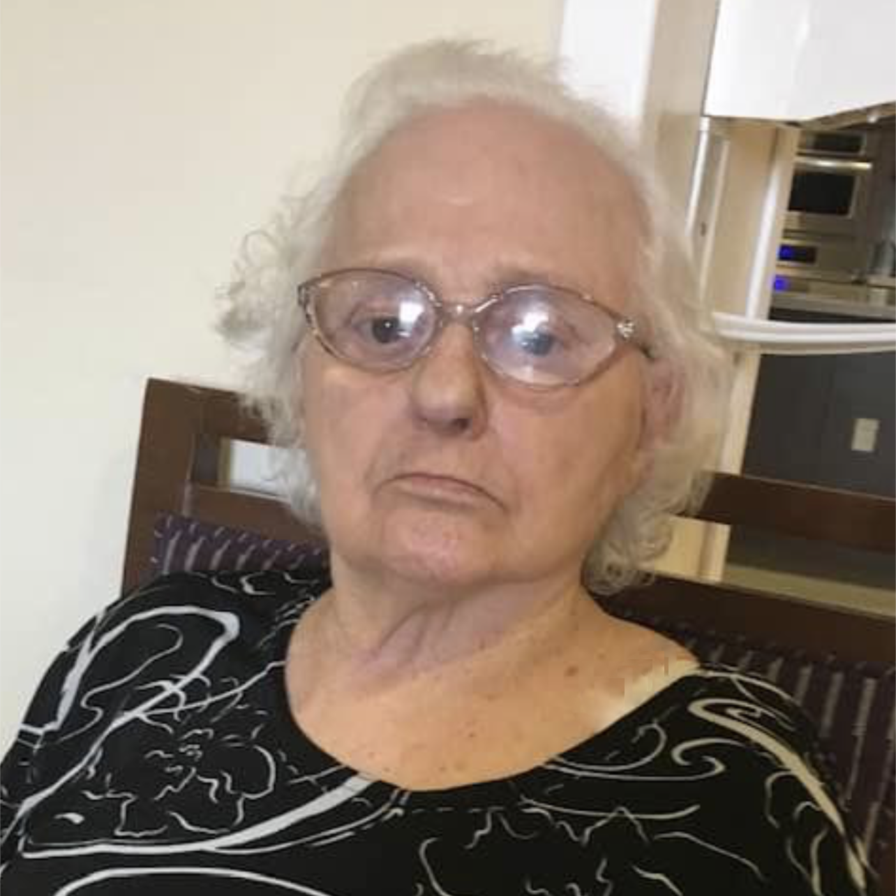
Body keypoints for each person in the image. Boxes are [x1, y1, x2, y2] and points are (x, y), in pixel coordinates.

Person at [0, 40, 874, 895]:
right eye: (383, 323)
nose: (445, 392)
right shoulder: (152, 640)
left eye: (539, 336)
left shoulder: (737, 808)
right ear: (301, 375)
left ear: (654, 415)